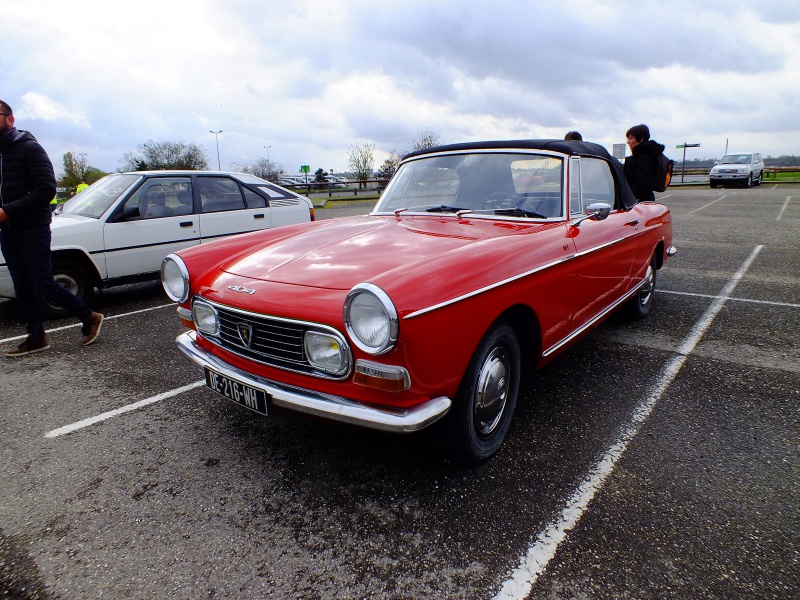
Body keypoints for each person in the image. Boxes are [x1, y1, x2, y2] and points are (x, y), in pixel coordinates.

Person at [0, 99, 103, 357]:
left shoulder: (29, 148)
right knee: (21, 286)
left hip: (32, 227)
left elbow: (46, 189)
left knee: (43, 282)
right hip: (8, 230)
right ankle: (36, 337)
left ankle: (89, 317)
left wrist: (8, 210)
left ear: (9, 119)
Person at [623, 123, 665, 202]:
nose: (628, 142)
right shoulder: (643, 154)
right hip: (644, 198)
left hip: (640, 200)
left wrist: (631, 196)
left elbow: (643, 181)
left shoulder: (644, 156)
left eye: (631, 138)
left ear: (641, 139)